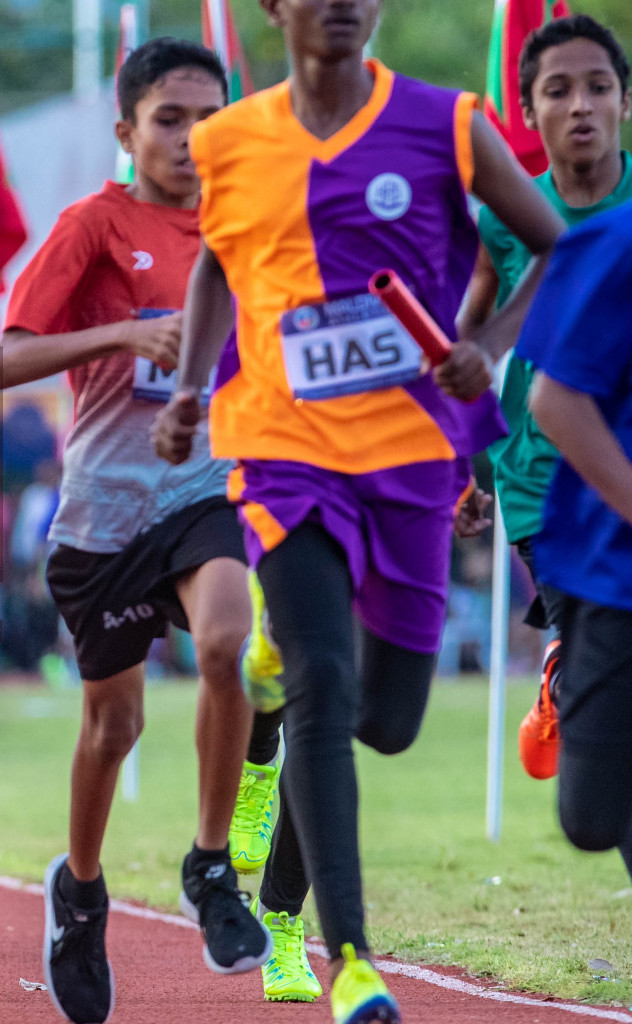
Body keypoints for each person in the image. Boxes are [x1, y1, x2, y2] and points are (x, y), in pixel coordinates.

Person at [152, 2, 564, 1021]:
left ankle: (272, 676)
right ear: (274, 10)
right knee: (329, 686)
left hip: (414, 454)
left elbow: (555, 246)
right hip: (281, 450)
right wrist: (192, 389)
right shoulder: (229, 139)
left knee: (386, 719)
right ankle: (354, 961)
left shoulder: (448, 122)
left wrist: (492, 341)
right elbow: (215, 264)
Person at [0, 39, 279, 1024]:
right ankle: (79, 889)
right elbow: (3, 359)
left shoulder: (254, 227)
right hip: (103, 514)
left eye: (209, 117)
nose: (192, 138)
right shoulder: (95, 226)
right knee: (115, 725)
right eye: (169, 118)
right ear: (128, 131)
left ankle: (209, 866)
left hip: (206, 492)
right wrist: (122, 332)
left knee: (232, 645)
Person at [457, 14, 631, 783]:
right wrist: (466, 465)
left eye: (599, 87)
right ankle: (565, 676)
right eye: (558, 91)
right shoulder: (504, 217)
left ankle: (573, 684)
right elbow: (464, 343)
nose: (582, 106)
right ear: (528, 113)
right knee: (590, 643)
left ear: (626, 100)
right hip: (540, 478)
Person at [519, 201, 632, 880]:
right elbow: (553, 400)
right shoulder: (614, 243)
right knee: (590, 816)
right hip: (611, 566)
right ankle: (567, 667)